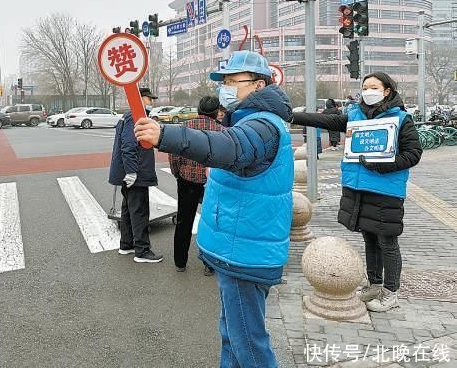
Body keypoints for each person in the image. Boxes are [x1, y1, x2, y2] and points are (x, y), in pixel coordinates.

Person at [134, 51, 294, 367]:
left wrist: (164, 134)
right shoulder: (249, 120)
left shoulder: (261, 126)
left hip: (244, 251)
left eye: (235, 81)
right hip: (239, 247)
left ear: (259, 85)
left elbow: (227, 148)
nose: (228, 87)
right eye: (225, 81)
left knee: (248, 344)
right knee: (233, 335)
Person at [291, 72, 422, 312]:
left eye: (373, 86)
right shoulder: (355, 116)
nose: (367, 91)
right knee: (369, 238)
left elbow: (413, 153)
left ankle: (391, 292)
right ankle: (374, 284)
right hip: (358, 187)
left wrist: (385, 165)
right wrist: (291, 115)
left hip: (386, 190)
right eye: (364, 87)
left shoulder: (401, 119)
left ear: (387, 91)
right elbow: (324, 121)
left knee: (387, 241)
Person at [168, 96, 224, 275]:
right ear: (216, 111)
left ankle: (180, 262)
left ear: (198, 109)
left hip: (187, 179)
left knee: (184, 220)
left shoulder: (185, 128)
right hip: (213, 182)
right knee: (213, 222)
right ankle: (209, 264)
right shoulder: (222, 131)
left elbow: (174, 154)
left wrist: (178, 172)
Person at [108, 87, 162, 264]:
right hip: (136, 173)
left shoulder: (127, 115)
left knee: (128, 209)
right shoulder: (135, 117)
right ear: (140, 99)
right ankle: (142, 251)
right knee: (139, 211)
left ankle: (127, 244)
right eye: (149, 99)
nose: (151, 103)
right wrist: (131, 172)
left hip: (128, 173)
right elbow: (129, 146)